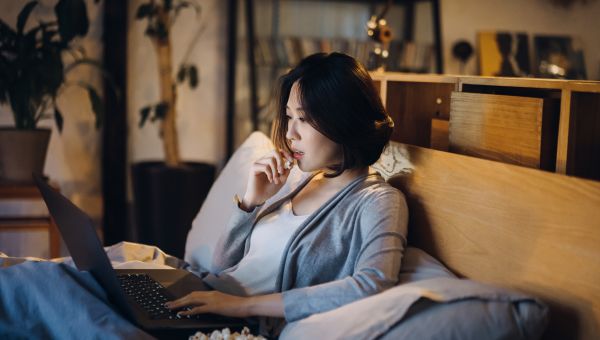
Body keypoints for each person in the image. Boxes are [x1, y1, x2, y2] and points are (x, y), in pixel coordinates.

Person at [165, 52, 408, 328]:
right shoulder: (300, 180)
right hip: (205, 297)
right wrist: (251, 203)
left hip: (234, 324)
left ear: (343, 120)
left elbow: (373, 284)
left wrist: (242, 306)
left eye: (303, 119)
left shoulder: (378, 201)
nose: (291, 134)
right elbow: (220, 269)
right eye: (289, 117)